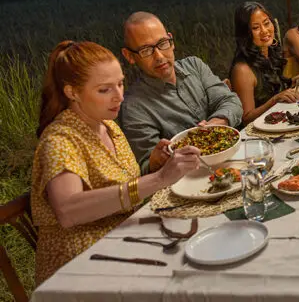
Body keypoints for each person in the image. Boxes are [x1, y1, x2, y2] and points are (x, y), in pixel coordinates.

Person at [31, 41, 201, 284]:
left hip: (128, 241)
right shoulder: (59, 139)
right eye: (104, 90)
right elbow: (68, 211)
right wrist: (159, 179)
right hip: (82, 267)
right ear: (72, 92)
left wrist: (155, 164)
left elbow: (122, 186)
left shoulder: (108, 126)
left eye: (120, 84)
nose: (119, 96)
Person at [119, 12, 242, 175]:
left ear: (171, 40)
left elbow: (230, 101)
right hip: (188, 180)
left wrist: (215, 125)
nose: (159, 56)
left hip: (230, 159)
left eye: (162, 43)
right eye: (146, 50)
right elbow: (145, 169)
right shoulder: (133, 107)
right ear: (129, 56)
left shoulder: (194, 66)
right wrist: (155, 162)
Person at [230, 2, 299, 125]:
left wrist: (294, 81)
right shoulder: (242, 70)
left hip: (278, 123)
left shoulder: (269, 52)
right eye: (256, 28)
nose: (264, 31)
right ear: (245, 33)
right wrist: (275, 100)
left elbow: (271, 88)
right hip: (259, 134)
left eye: (267, 23)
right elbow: (246, 119)